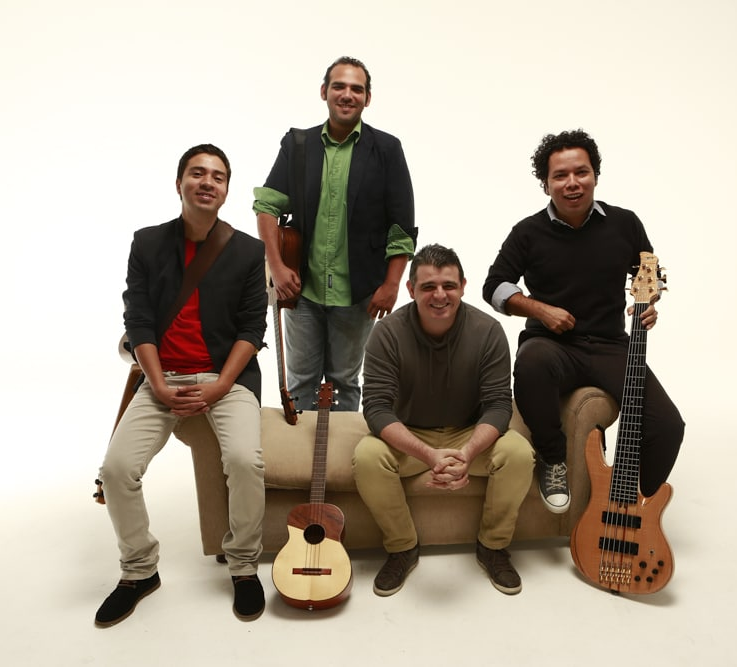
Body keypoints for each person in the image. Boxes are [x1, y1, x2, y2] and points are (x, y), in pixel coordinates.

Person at [95, 144, 269, 627]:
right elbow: (139, 320)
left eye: (218, 176)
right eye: (197, 173)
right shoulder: (147, 243)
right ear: (179, 184)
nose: (207, 182)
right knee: (116, 470)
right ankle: (139, 571)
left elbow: (252, 328)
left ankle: (243, 565)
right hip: (161, 377)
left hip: (226, 379)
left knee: (245, 461)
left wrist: (219, 386)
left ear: (226, 190)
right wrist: (157, 383)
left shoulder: (248, 251)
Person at [482, 129, 684, 514]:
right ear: (546, 185)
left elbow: (649, 273)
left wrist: (650, 301)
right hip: (553, 346)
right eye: (560, 176)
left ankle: (629, 504)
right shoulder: (527, 232)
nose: (572, 183)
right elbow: (494, 287)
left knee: (668, 425)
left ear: (595, 176)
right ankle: (553, 460)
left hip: (610, 346)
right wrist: (539, 309)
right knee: (531, 363)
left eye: (581, 172)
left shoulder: (625, 223)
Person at [353, 244, 535, 596]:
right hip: (409, 435)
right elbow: (376, 409)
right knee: (367, 456)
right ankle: (402, 548)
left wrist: (466, 453)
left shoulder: (488, 331)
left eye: (449, 285)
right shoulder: (386, 333)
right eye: (428, 287)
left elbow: (498, 406)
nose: (440, 295)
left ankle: (493, 546)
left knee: (518, 453)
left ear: (463, 286)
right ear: (410, 290)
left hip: (470, 432)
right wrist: (428, 455)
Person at [254, 56, 417, 413]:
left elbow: (402, 228)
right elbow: (267, 206)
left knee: (345, 382)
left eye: (356, 89)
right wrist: (277, 268)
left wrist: (391, 285)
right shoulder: (298, 145)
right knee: (300, 382)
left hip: (359, 294)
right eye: (339, 86)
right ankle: (302, 450)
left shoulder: (387, 150)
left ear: (367, 98)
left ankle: (337, 451)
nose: (347, 94)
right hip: (302, 290)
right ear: (324, 91)